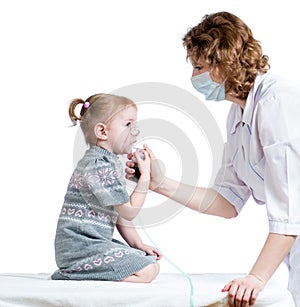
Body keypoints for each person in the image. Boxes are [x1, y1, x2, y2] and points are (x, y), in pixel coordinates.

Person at [126, 11, 300, 306]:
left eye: (198, 66)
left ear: (224, 62)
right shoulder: (237, 115)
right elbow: (227, 201)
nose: (193, 77)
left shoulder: (276, 101)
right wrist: (159, 182)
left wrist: (256, 278)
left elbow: (291, 209)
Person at [52, 93, 161, 283]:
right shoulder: (98, 165)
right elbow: (129, 211)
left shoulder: (108, 162)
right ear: (102, 132)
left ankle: (77, 271)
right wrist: (145, 178)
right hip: (80, 249)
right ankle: (72, 273)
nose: (135, 131)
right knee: (148, 270)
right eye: (128, 124)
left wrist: (138, 244)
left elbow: (118, 213)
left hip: (91, 245)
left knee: (149, 262)